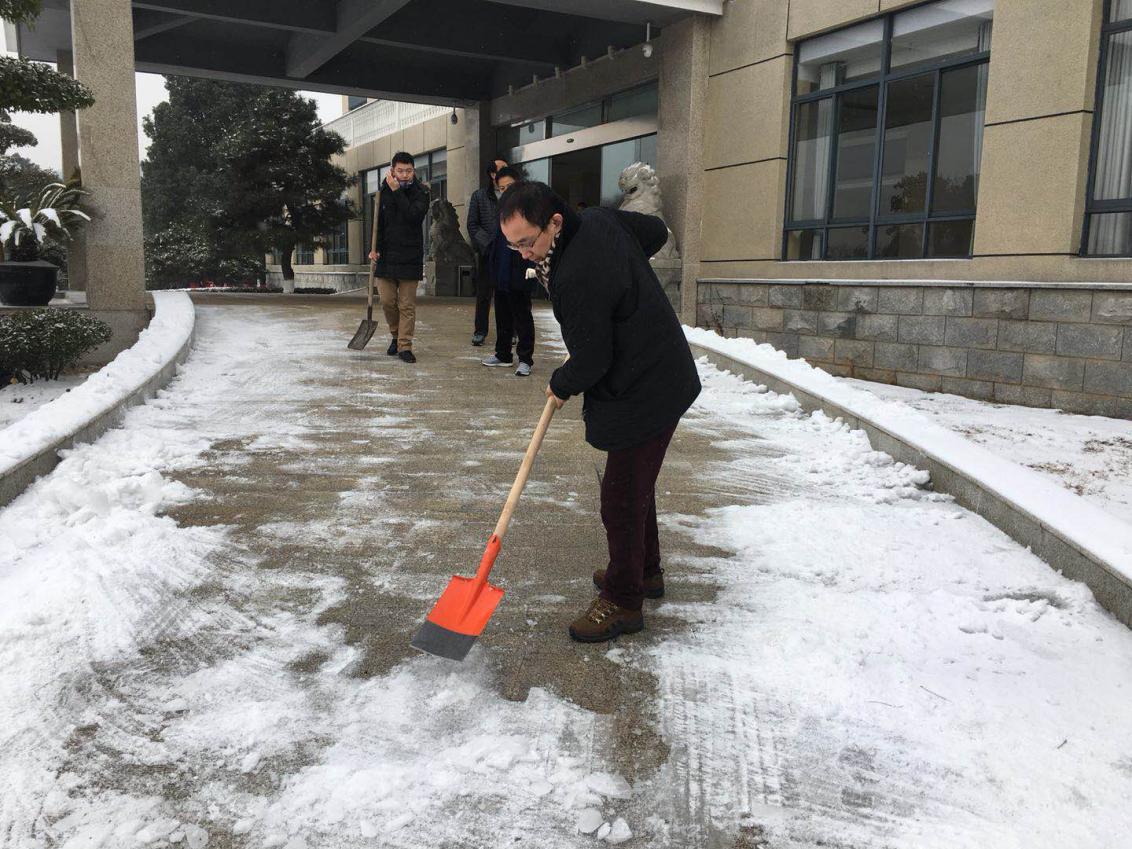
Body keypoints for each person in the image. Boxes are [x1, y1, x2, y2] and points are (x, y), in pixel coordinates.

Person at [498, 181, 701, 643]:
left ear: (554, 222)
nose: (524, 255)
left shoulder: (576, 273)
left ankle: (624, 601)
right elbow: (652, 231)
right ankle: (644, 573)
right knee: (632, 484)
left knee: (621, 497)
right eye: (513, 246)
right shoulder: (600, 220)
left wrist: (559, 382)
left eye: (528, 243)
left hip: (646, 382)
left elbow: (592, 361)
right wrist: (625, 284)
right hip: (656, 365)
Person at [368, 151, 429, 364]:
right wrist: (373, 248)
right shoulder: (382, 193)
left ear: (414, 171)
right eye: (400, 171)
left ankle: (404, 346)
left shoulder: (421, 192)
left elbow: (413, 216)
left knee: (407, 305)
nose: (404, 175)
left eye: (409, 171)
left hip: (410, 256)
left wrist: (397, 192)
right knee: (387, 301)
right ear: (392, 170)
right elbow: (378, 225)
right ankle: (395, 335)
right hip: (386, 257)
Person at [480, 166, 535, 377]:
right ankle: (503, 354)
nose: (506, 191)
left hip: (520, 269)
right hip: (501, 270)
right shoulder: (502, 210)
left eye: (509, 186)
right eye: (502, 188)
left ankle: (525, 359)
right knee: (502, 315)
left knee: (522, 316)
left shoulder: (530, 209)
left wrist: (532, 266)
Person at [466, 158, 507, 346]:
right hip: (487, 254)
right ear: (492, 174)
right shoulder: (479, 197)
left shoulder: (514, 195)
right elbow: (473, 226)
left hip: (510, 252)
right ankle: (480, 331)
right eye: (502, 169)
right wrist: (489, 245)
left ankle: (509, 332)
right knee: (484, 295)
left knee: (507, 294)